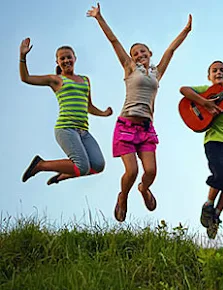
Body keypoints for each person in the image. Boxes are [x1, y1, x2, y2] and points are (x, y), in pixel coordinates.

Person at [87, 3, 192, 222]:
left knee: (151, 172)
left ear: (149, 54)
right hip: (125, 126)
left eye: (142, 51)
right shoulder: (129, 69)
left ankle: (144, 189)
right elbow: (114, 41)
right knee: (132, 171)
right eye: (135, 53)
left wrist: (185, 31)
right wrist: (99, 18)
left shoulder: (156, 73)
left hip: (145, 129)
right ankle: (123, 196)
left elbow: (170, 51)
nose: (138, 55)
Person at [20, 38, 111, 186]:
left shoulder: (85, 80)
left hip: (83, 131)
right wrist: (23, 57)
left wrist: (103, 113)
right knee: (82, 166)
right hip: (66, 128)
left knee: (98, 165)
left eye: (69, 57)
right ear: (57, 62)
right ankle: (40, 165)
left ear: (75, 58)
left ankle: (63, 175)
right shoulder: (55, 80)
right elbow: (26, 78)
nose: (66, 60)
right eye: (62, 58)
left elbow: (88, 106)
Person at [179, 61, 223, 239]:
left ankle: (216, 216)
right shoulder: (205, 88)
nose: (218, 72)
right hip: (214, 141)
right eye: (215, 70)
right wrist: (205, 102)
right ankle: (208, 205)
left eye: (222, 70)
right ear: (209, 77)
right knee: (220, 175)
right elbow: (184, 90)